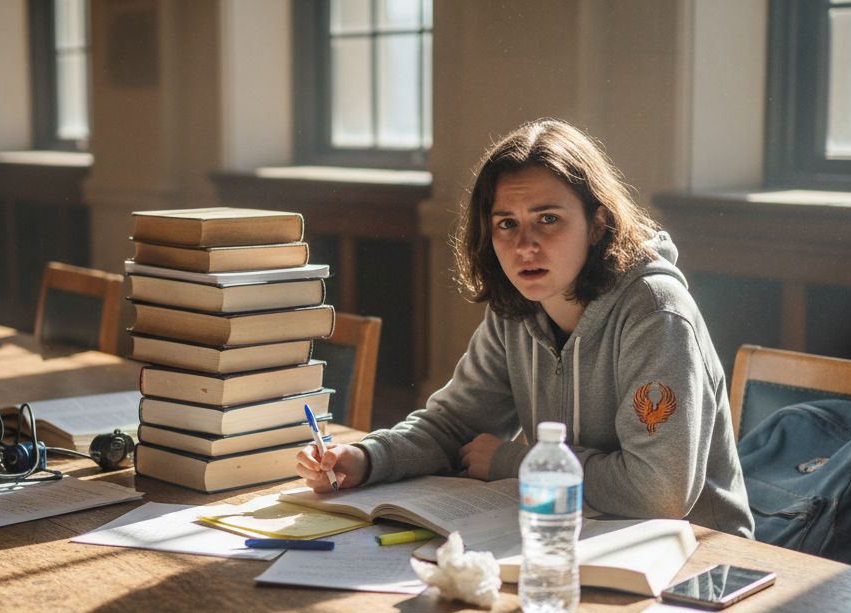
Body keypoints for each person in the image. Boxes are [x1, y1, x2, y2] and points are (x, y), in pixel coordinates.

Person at [297, 118, 753, 536]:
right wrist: (365, 458)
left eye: (548, 220)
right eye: (506, 224)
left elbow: (660, 494)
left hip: (695, 557)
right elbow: (454, 424)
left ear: (598, 224)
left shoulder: (655, 312)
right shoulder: (515, 306)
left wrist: (515, 461)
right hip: (570, 535)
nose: (524, 246)